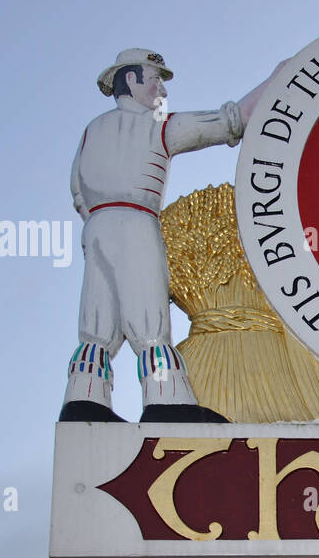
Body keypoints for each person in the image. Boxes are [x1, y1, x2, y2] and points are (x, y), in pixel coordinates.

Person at [61, 48, 248, 423]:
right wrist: (273, 86)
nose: (161, 88)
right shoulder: (156, 125)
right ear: (130, 80)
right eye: (155, 78)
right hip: (135, 221)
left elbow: (76, 187)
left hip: (97, 226)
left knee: (99, 326)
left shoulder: (93, 129)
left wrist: (95, 220)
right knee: (149, 322)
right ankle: (166, 402)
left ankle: (84, 401)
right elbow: (226, 121)